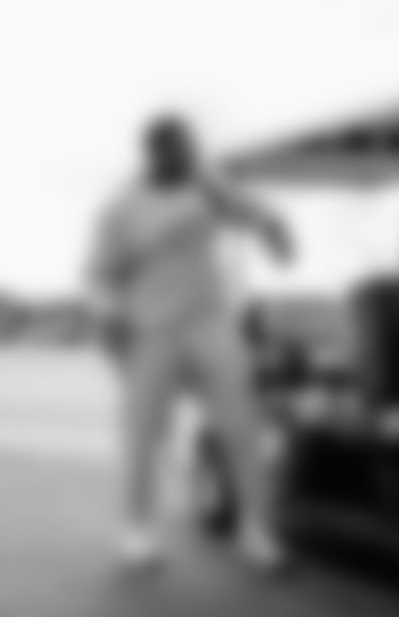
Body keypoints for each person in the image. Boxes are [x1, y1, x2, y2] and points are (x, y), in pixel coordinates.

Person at [87, 112, 295, 573]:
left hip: (211, 322)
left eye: (193, 150)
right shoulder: (120, 207)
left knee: (243, 424)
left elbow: (254, 213)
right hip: (150, 329)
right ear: (154, 154)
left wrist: (275, 232)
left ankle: (256, 531)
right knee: (143, 433)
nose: (190, 159)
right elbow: (100, 277)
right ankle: (137, 534)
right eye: (179, 152)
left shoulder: (206, 185)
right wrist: (109, 328)